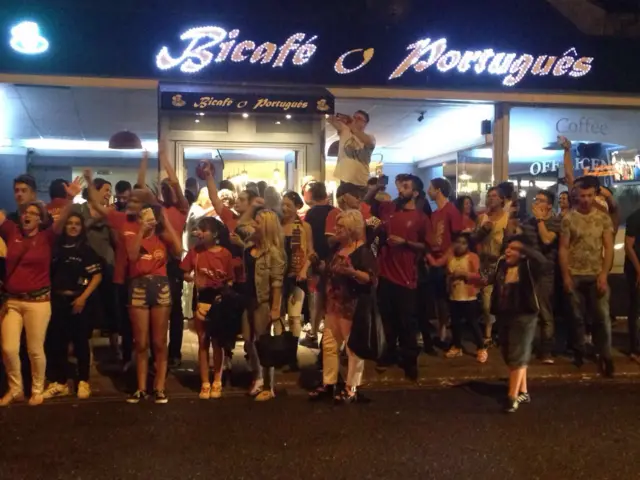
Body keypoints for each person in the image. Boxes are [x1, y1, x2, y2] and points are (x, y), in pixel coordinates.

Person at [0, 189, 77, 406]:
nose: (28, 215)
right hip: (13, 301)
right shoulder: (11, 232)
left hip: (38, 302)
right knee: (8, 348)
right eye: (26, 212)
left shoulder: (47, 237)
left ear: (40, 219)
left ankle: (36, 389)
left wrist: (70, 198)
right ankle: (15, 389)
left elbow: (62, 220)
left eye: (34, 213)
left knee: (35, 349)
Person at [309, 209, 374, 403]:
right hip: (333, 305)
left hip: (351, 307)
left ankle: (351, 386)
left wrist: (352, 272)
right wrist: (319, 265)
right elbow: (329, 271)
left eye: (341, 227)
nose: (336, 230)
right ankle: (329, 383)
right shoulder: (337, 249)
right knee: (329, 345)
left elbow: (370, 278)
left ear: (352, 230)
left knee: (352, 348)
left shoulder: (362, 251)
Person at [368, 175, 429, 380]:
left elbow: (427, 246)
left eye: (406, 186)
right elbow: (367, 203)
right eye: (400, 186)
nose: (401, 189)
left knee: (406, 322)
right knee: (388, 319)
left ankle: (410, 361)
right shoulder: (389, 210)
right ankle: (390, 353)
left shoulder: (420, 217)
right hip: (385, 275)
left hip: (406, 277)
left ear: (416, 193)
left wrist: (406, 242)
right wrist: (376, 186)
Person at [124, 204, 182, 404]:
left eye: (151, 217)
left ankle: (159, 386)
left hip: (160, 286)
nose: (149, 220)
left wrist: (165, 221)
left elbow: (178, 250)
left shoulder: (162, 239)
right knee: (141, 342)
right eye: (144, 217)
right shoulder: (133, 236)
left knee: (159, 342)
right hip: (138, 286)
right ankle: (140, 387)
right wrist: (142, 230)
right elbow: (131, 256)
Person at [43, 212, 102, 400]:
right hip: (58, 301)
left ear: (82, 227)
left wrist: (83, 298)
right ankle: (60, 382)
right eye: (70, 224)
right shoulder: (56, 249)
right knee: (57, 342)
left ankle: (83, 381)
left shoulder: (86, 250)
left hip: (78, 301)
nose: (73, 227)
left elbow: (97, 276)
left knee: (80, 342)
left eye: (77, 224)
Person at [559, 180, 614, 376]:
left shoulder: (603, 218)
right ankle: (580, 351)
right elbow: (563, 248)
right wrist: (566, 276)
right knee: (577, 317)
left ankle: (606, 355)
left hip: (596, 273)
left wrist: (604, 274)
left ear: (594, 195)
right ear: (576, 196)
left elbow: (608, 247)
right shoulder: (568, 219)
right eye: (582, 196)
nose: (586, 200)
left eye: (589, 195)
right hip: (575, 274)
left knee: (602, 317)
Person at [489, 235, 549, 413]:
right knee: (509, 353)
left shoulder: (530, 267)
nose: (508, 251)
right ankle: (523, 391)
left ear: (523, 253)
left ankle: (512, 397)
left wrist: (524, 248)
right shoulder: (502, 265)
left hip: (524, 315)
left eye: (514, 248)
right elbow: (488, 279)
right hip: (504, 315)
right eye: (508, 247)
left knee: (516, 354)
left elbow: (543, 261)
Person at [181, 217, 234, 399]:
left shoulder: (225, 254)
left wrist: (224, 290)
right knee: (202, 342)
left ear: (215, 233)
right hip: (201, 299)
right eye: (199, 229)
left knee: (217, 343)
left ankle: (217, 380)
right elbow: (184, 272)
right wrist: (195, 280)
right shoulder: (195, 252)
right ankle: (205, 382)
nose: (200, 233)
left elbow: (230, 278)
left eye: (205, 230)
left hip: (218, 301)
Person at [242, 206, 286, 401]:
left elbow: (277, 282)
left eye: (258, 222)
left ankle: (268, 385)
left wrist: (275, 308)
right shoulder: (249, 246)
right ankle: (258, 377)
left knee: (264, 342)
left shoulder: (274, 253)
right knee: (249, 340)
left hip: (264, 300)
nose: (253, 224)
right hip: (248, 298)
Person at [521, 190, 561, 364]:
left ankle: (546, 351)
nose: (536, 203)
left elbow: (546, 240)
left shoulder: (555, 221)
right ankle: (527, 347)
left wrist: (539, 220)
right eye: (535, 200)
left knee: (545, 312)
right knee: (528, 312)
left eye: (541, 201)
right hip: (529, 271)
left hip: (546, 272)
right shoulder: (528, 222)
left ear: (550, 205)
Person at [426, 178, 463, 346]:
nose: (429, 191)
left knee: (447, 299)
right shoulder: (434, 214)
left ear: (438, 190)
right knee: (437, 298)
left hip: (447, 262)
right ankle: (441, 330)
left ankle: (449, 333)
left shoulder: (451, 211)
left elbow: (457, 240)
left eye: (431, 188)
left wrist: (443, 259)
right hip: (435, 261)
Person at [279, 191, 314, 369]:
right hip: (278, 276)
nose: (284, 208)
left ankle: (291, 358)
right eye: (283, 204)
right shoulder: (277, 226)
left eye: (288, 205)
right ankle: (279, 354)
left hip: (296, 275)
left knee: (294, 317)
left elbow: (310, 252)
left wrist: (304, 269)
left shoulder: (304, 227)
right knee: (277, 316)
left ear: (297, 207)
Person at [300, 182, 337, 348]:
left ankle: (313, 333)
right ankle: (327, 333)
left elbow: (310, 239)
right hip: (332, 261)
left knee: (315, 298)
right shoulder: (335, 212)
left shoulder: (311, 214)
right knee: (329, 298)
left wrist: (314, 258)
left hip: (316, 260)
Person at [474, 186, 508, 345]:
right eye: (489, 195)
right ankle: (487, 333)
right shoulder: (482, 218)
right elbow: (475, 238)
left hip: (501, 263)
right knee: (486, 301)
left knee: (502, 299)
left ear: (502, 199)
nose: (491, 198)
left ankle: (501, 333)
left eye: (495, 196)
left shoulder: (507, 218)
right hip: (485, 263)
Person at [444, 233, 486, 363]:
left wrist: (465, 274)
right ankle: (457, 346)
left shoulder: (472, 257)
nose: (460, 245)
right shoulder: (450, 258)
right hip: (454, 295)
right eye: (457, 242)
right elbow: (447, 274)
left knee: (472, 323)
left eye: (463, 243)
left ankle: (481, 348)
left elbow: (480, 276)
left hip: (469, 297)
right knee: (455, 323)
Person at [328, 110, 376, 187]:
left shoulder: (370, 137)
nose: (355, 120)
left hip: (360, 182)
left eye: (359, 118)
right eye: (354, 117)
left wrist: (351, 126)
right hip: (344, 179)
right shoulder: (345, 130)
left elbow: (367, 141)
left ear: (365, 123)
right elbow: (330, 119)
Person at [624, 205, 640, 363]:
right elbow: (628, 246)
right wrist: (639, 270)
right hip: (635, 270)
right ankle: (635, 349)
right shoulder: (635, 218)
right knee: (635, 309)